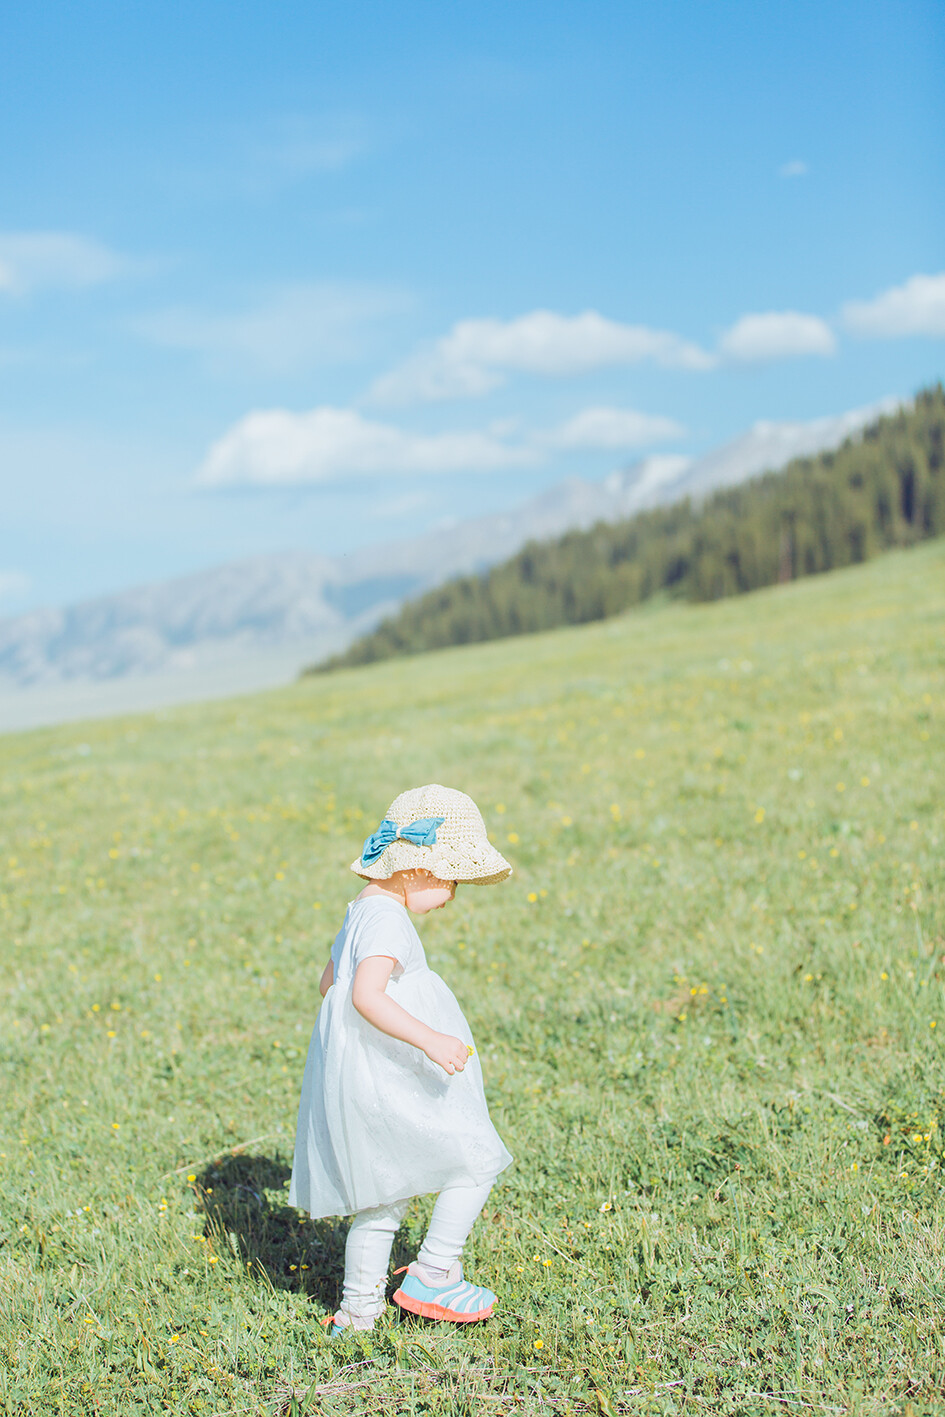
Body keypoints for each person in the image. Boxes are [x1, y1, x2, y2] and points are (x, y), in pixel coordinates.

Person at [289, 783, 514, 1335]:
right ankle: (434, 1271)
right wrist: (430, 1039)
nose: (454, 895)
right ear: (417, 870)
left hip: (365, 1076)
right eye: (452, 881)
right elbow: (365, 995)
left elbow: (329, 984)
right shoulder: (389, 921)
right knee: (474, 1160)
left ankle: (358, 1311)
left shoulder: (360, 911)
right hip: (398, 1070)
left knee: (383, 1194)